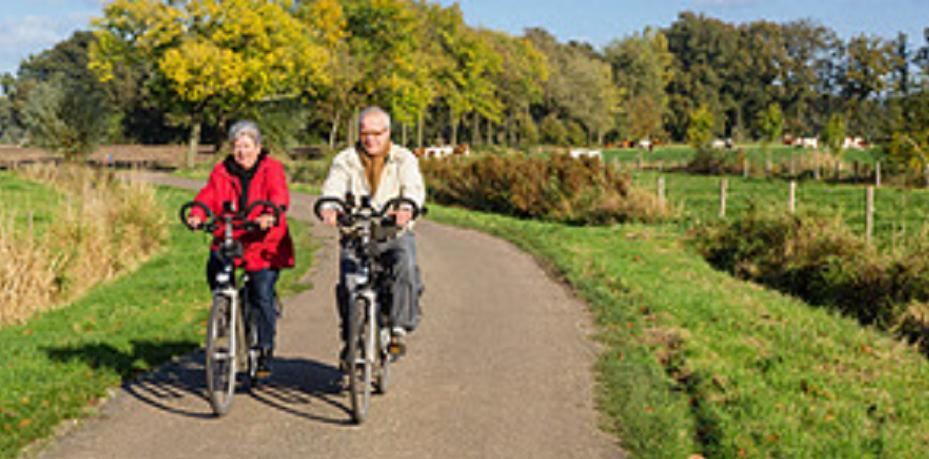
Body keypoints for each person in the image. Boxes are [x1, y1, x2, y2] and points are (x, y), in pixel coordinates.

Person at [186, 120, 294, 379]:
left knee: (261, 291)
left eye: (247, 146)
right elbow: (208, 195)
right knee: (215, 263)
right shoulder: (222, 170)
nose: (241, 152)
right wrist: (197, 214)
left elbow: (279, 195)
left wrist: (270, 213)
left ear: (258, 148)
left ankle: (264, 348)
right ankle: (223, 308)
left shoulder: (271, 168)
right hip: (232, 236)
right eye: (237, 146)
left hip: (264, 240)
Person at [319, 106, 425, 361]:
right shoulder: (346, 159)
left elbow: (413, 187)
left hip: (392, 232)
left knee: (406, 266)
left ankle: (398, 328)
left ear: (388, 132)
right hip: (357, 231)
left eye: (377, 133)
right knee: (349, 283)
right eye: (365, 133)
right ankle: (350, 337)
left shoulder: (404, 158)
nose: (371, 139)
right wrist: (329, 206)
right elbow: (333, 184)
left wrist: (407, 207)